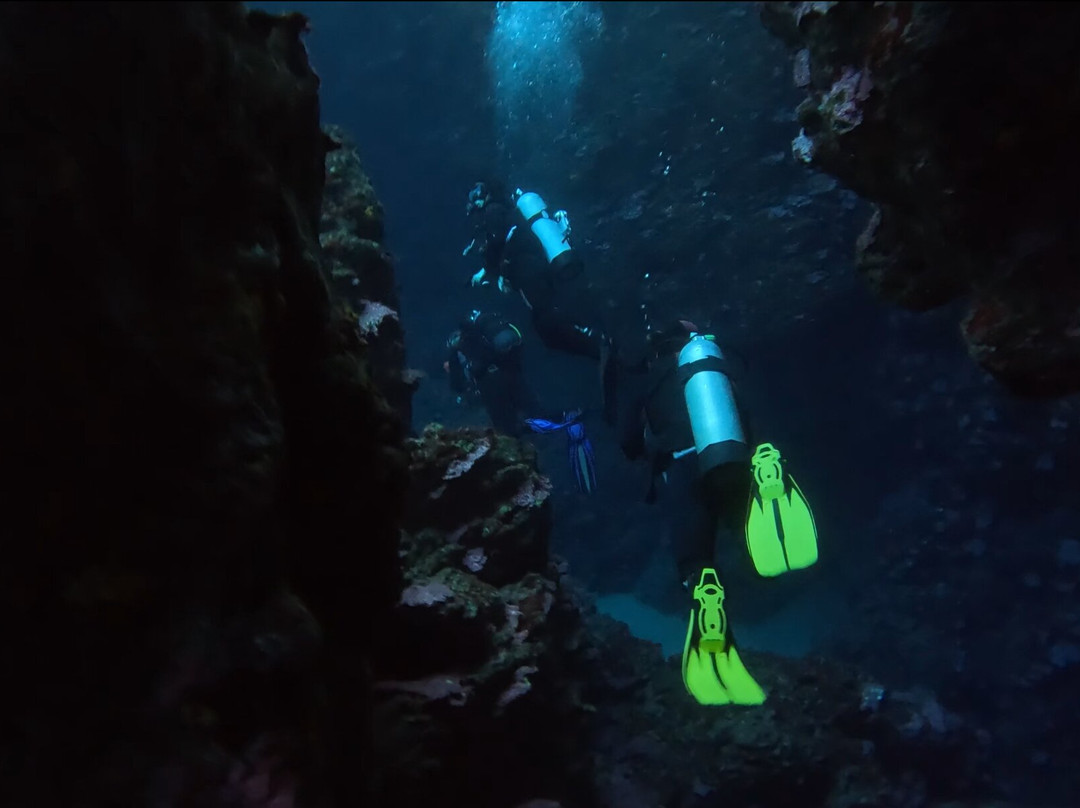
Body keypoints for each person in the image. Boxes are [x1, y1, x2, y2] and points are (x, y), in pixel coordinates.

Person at [618, 319, 818, 706]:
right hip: (728, 457)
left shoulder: (648, 378)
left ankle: (704, 588)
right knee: (745, 524)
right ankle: (767, 480)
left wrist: (648, 447)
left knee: (696, 558)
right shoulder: (714, 364)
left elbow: (627, 440)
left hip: (681, 468)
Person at [463, 180, 619, 423]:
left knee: (547, 320)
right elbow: (503, 244)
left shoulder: (494, 211)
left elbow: (500, 243)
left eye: (475, 194)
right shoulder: (507, 212)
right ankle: (594, 345)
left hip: (530, 272)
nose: (473, 201)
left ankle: (597, 345)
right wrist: (491, 271)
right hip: (533, 271)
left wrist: (494, 271)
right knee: (547, 327)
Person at [444, 309, 599, 493]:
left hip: (491, 387)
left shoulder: (458, 350)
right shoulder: (487, 338)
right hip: (512, 376)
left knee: (506, 432)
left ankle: (521, 477)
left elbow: (458, 385)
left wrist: (452, 371)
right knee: (537, 413)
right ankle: (572, 417)